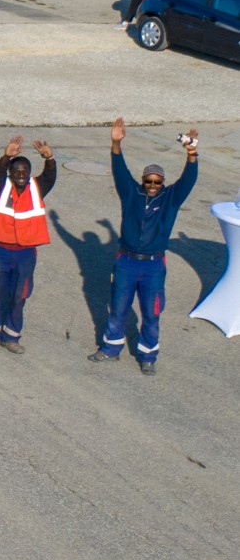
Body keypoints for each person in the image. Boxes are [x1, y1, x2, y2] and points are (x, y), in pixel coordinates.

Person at [92, 119, 198, 375]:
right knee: (118, 307)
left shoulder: (170, 199)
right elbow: (119, 169)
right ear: (142, 181)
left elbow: (189, 180)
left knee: (151, 311)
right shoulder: (131, 193)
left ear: (162, 183)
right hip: (126, 261)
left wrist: (192, 153)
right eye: (148, 181)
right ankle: (110, 348)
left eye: (156, 182)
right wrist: (116, 143)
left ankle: (148, 355)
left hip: (153, 265)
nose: (152, 186)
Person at [0, 135, 57, 354]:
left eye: (25, 172)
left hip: (25, 253)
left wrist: (49, 158)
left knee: (19, 296)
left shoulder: (37, 187)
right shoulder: (1, 186)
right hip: (0, 250)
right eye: (17, 172)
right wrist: (6, 156)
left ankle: (11, 337)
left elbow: (50, 177)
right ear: (11, 174)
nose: (21, 175)